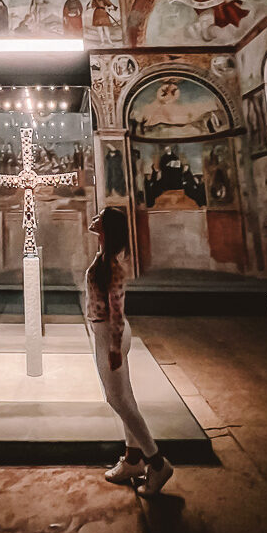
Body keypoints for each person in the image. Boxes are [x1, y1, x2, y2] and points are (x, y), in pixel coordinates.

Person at [86, 208, 173, 495]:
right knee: (125, 398)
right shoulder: (103, 261)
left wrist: (113, 348)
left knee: (117, 400)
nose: (94, 219)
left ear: (107, 229)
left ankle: (157, 462)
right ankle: (133, 460)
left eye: (99, 217)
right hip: (104, 334)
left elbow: (116, 313)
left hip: (110, 335)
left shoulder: (112, 268)